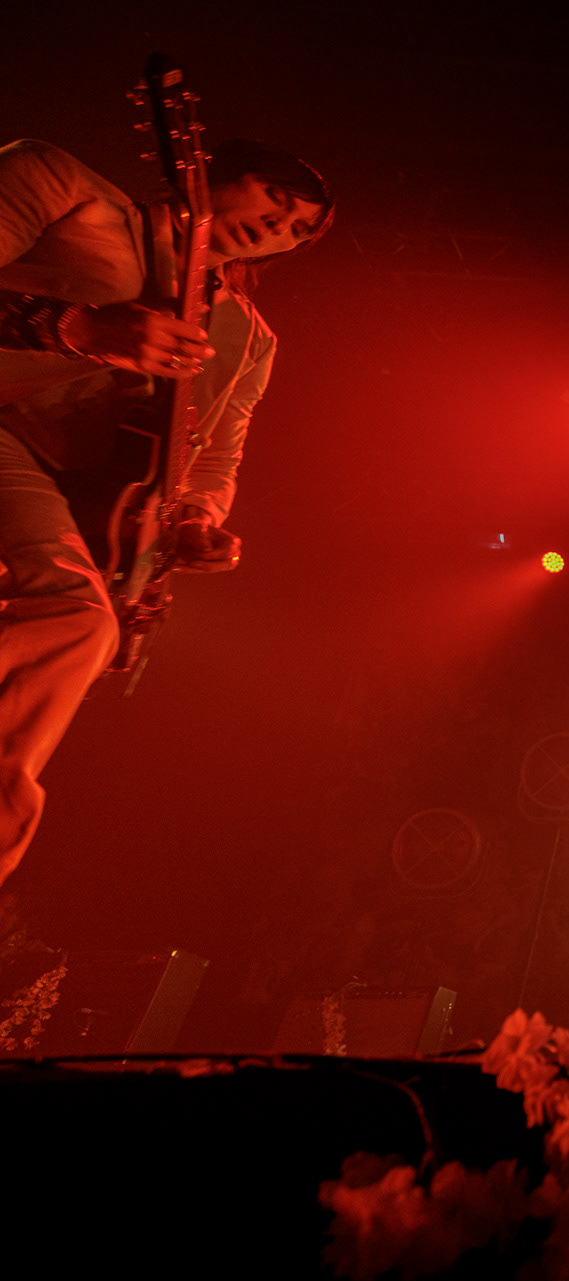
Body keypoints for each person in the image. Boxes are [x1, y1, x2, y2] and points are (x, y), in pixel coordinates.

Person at [0, 136, 334, 886]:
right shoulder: (63, 189)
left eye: (297, 230)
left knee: (79, 623)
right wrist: (75, 328)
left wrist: (196, 520)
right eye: (275, 197)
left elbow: (215, 456)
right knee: (70, 619)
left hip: (46, 484)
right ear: (210, 166)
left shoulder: (247, 339)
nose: (277, 226)